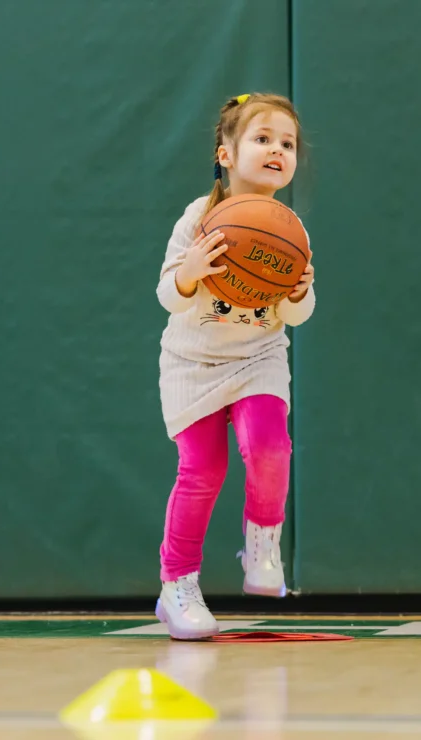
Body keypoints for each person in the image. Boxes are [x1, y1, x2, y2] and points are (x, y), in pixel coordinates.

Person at [152, 92, 315, 640]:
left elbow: (297, 312)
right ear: (226, 153)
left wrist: (299, 291)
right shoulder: (198, 218)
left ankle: (263, 542)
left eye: (287, 143)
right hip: (193, 362)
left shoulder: (289, 229)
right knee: (202, 472)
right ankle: (177, 586)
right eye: (263, 138)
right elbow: (167, 296)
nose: (277, 150)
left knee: (270, 447)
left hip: (257, 356)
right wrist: (190, 272)